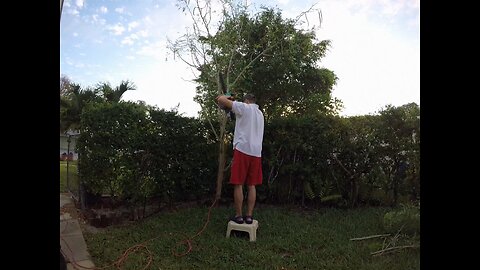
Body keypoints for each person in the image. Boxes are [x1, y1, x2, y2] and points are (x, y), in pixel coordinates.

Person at [216, 93, 264, 224]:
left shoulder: (244, 108)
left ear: (247, 101)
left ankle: (238, 216)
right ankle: (249, 216)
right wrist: (231, 104)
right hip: (256, 153)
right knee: (252, 185)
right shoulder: (260, 114)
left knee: (238, 183)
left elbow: (220, 100)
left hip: (243, 150)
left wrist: (226, 96)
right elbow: (233, 113)